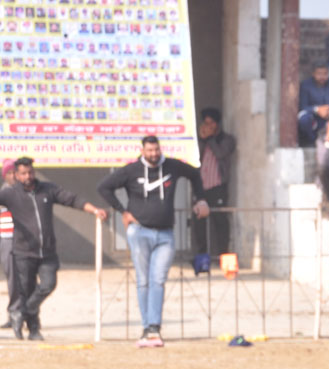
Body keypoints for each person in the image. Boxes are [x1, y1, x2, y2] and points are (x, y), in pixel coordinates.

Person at [95, 137, 205, 348]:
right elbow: (103, 187)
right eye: (149, 150)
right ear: (143, 150)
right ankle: (147, 326)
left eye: (156, 150)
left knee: (159, 279)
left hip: (166, 234)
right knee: (143, 280)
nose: (154, 154)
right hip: (139, 232)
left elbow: (195, 174)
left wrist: (200, 199)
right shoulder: (131, 170)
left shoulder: (172, 166)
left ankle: (154, 327)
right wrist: (122, 211)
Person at [0, 157, 105, 341]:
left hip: (47, 252)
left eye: (30, 172)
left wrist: (94, 210)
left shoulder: (47, 189)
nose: (28, 176)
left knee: (48, 284)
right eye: (23, 173)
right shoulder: (11, 194)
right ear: (17, 175)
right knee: (27, 290)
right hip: (24, 252)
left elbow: (72, 199)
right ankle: (33, 330)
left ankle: (22, 311)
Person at [194, 107, 235, 260]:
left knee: (220, 222)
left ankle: (223, 255)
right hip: (201, 188)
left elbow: (220, 153)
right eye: (206, 123)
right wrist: (202, 139)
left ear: (217, 124)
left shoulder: (226, 139)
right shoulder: (202, 141)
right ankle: (202, 257)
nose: (208, 127)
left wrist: (210, 138)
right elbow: (196, 156)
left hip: (217, 187)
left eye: (211, 123)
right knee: (199, 223)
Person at [297, 61, 329, 146]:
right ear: (313, 73)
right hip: (314, 118)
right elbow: (303, 106)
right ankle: (312, 142)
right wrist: (317, 109)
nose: (322, 77)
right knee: (303, 119)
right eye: (319, 74)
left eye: (325, 74)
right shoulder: (306, 85)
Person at [0, 158, 16, 330]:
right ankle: (14, 315)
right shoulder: (2, 194)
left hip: (24, 241)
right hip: (7, 239)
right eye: (9, 173)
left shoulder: (26, 192)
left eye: (14, 172)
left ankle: (28, 315)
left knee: (27, 279)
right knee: (12, 279)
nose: (13, 176)